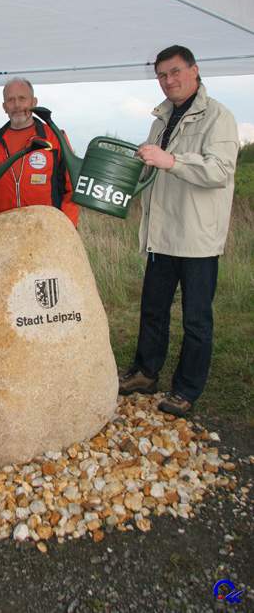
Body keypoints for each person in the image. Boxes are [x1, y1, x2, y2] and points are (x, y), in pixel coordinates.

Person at [119, 45, 239, 415]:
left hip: (197, 238)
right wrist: (141, 162)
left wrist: (170, 160)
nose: (168, 81)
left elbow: (220, 171)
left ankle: (186, 390)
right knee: (153, 310)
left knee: (196, 320)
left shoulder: (218, 116)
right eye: (162, 75)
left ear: (194, 70)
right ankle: (146, 373)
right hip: (161, 235)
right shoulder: (161, 120)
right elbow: (156, 170)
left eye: (175, 72)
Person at [0, 78, 79, 241]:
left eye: (22, 98)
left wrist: (66, 230)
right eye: (11, 100)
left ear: (34, 102)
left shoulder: (55, 139)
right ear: (4, 106)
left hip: (46, 235)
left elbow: (73, 188)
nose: (17, 105)